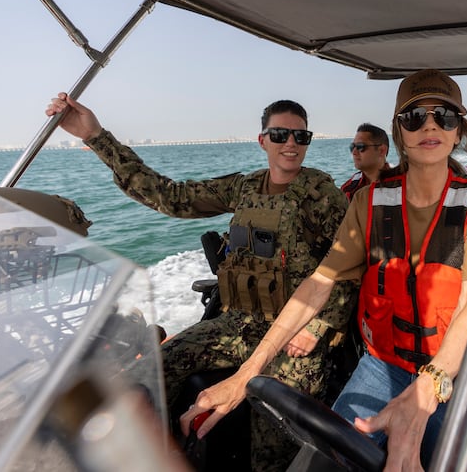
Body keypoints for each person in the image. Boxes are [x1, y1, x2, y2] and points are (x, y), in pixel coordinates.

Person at [179, 68, 467, 471]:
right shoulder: (368, 202)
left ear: (460, 131)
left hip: (459, 370)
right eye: (413, 117)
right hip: (384, 361)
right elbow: (319, 283)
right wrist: (247, 374)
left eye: (445, 116)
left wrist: (430, 385)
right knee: (329, 459)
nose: (430, 125)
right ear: (399, 132)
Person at [45, 93, 356, 471]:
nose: (290, 144)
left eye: (300, 137)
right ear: (263, 140)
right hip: (237, 323)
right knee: (154, 370)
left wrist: (319, 326)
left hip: (293, 337)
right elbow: (170, 197)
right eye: (280, 135)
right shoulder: (243, 188)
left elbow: (351, 264)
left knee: (274, 438)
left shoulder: (320, 195)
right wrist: (96, 137)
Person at [341, 122, 390, 200]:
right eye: (352, 147)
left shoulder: (402, 185)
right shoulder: (348, 188)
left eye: (360, 147)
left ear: (382, 150)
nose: (354, 152)